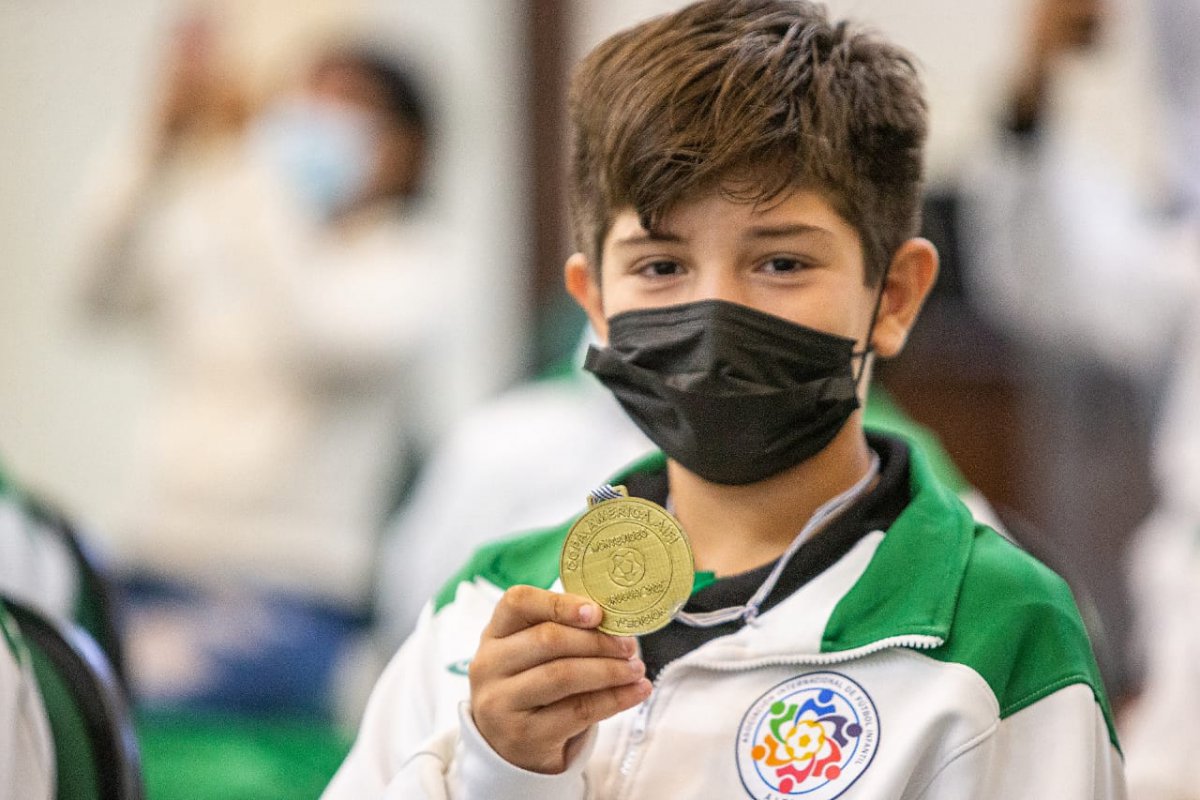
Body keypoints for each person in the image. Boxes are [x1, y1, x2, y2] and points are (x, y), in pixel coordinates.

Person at [324, 1, 1124, 797]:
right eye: (661, 266)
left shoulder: (995, 631)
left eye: (780, 263)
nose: (714, 318)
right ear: (594, 301)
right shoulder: (490, 609)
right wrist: (502, 770)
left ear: (895, 297)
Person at [79, 27, 449, 716]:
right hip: (159, 557)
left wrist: (251, 167)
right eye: (307, 102)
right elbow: (97, 292)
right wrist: (155, 146)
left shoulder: (410, 264)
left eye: (351, 108)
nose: (313, 127)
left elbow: (315, 327)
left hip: (296, 591)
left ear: (408, 148)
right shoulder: (238, 225)